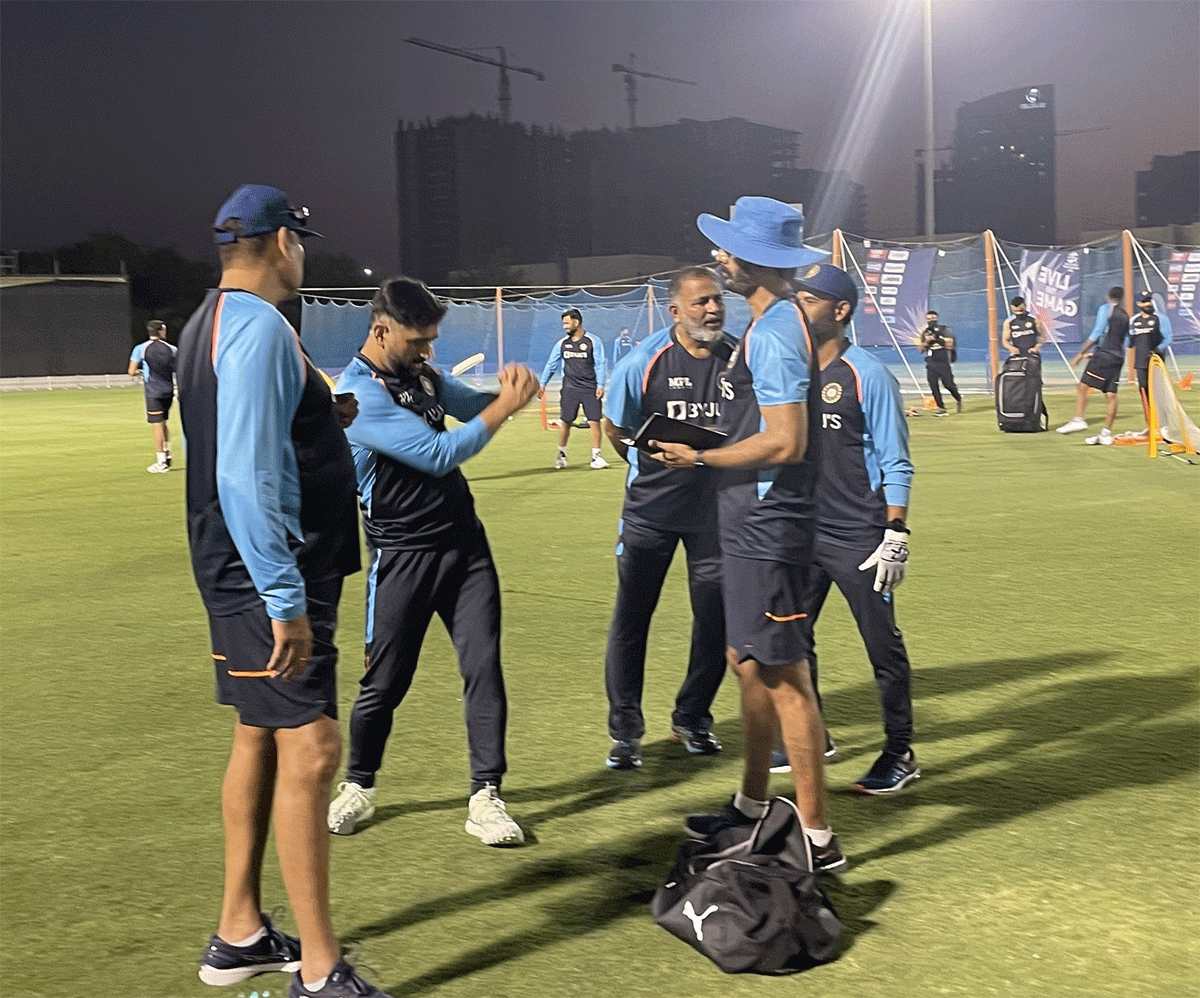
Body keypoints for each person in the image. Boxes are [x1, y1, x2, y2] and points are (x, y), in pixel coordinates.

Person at [176, 184, 388, 997]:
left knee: (260, 738)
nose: (306, 253)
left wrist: (317, 413)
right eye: (301, 240)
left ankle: (238, 933)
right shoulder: (261, 326)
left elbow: (250, 433)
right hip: (269, 574)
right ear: (281, 243)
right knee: (313, 750)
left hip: (242, 569)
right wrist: (283, 597)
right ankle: (322, 972)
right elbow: (243, 470)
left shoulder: (211, 320)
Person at [653, 196, 848, 874]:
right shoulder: (773, 321)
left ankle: (818, 839)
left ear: (759, 258)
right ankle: (752, 807)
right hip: (744, 526)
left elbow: (787, 442)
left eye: (731, 248)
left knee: (786, 676)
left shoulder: (773, 332)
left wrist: (700, 458)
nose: (721, 257)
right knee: (748, 664)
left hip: (769, 529)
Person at [327, 277, 540, 846]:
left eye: (432, 341)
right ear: (381, 330)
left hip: (465, 548)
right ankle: (360, 784)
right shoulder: (356, 396)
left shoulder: (419, 375)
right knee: (384, 683)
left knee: (482, 666)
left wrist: (509, 389)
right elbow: (439, 454)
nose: (428, 352)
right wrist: (505, 411)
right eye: (419, 341)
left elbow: (470, 403)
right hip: (401, 556)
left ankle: (486, 796)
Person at [790, 263, 919, 795]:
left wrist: (896, 533)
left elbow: (897, 461)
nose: (799, 308)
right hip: (803, 533)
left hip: (861, 536)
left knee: (880, 645)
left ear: (840, 311)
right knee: (792, 637)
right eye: (796, 297)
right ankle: (813, 735)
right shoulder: (791, 372)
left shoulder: (868, 374)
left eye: (810, 300)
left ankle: (900, 751)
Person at [600, 267, 733, 769]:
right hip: (649, 515)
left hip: (717, 517)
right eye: (700, 303)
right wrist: (650, 469)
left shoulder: (739, 358)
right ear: (675, 311)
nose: (712, 310)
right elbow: (616, 429)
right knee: (632, 620)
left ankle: (692, 717)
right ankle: (626, 731)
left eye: (717, 300)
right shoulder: (643, 362)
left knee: (715, 619)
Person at [1057, 286, 1130, 445]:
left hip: (1106, 354)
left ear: (1108, 296)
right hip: (1118, 357)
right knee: (1111, 395)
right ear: (1122, 298)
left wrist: (1080, 353)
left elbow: (1097, 332)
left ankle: (1078, 419)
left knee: (1082, 386)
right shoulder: (1125, 316)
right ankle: (1105, 433)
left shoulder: (1106, 309)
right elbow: (1127, 341)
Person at [539, 308, 609, 469]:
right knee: (566, 422)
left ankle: (596, 457)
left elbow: (599, 364)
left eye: (567, 323)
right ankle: (561, 456)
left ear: (576, 322)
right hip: (570, 388)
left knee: (594, 421)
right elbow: (551, 364)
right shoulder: (562, 344)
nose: (564, 326)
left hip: (590, 388)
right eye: (563, 323)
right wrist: (543, 383)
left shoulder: (592, 341)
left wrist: (600, 385)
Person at [128, 319, 177, 472]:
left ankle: (161, 461)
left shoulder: (141, 348)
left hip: (153, 391)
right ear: (161, 331)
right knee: (163, 422)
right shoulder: (172, 349)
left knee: (157, 424)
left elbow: (131, 371)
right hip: (169, 390)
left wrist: (141, 372)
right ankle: (167, 454)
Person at [1127, 291, 1172, 437]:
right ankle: (1150, 426)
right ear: (1138, 304)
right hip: (1140, 363)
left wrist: (1156, 351)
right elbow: (1129, 341)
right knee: (1145, 394)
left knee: (1159, 393)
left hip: (1156, 362)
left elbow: (1167, 338)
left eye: (1149, 301)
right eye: (1144, 301)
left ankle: (1164, 426)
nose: (1147, 304)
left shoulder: (1161, 318)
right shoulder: (1134, 320)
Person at [918, 310, 962, 414]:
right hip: (931, 362)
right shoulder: (925, 332)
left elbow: (950, 344)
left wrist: (937, 339)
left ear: (937, 318)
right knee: (933, 385)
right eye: (929, 319)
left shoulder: (944, 330)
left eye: (933, 318)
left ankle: (958, 398)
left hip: (943, 361)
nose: (931, 321)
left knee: (948, 384)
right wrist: (927, 341)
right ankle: (941, 407)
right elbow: (920, 349)